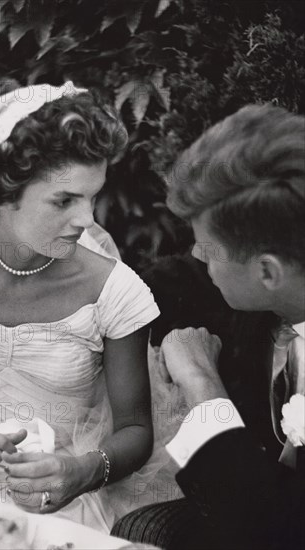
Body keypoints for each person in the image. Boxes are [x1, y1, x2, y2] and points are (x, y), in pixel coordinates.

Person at [0, 81, 168, 533]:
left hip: (67, 509)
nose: (86, 220)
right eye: (64, 200)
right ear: (3, 190)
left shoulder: (115, 289)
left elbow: (137, 430)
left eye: (92, 197)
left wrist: (82, 471)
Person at [112, 103, 305, 549]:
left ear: (268, 272)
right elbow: (176, 280)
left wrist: (202, 384)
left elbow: (264, 530)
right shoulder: (272, 286)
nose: (199, 259)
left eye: (206, 248)